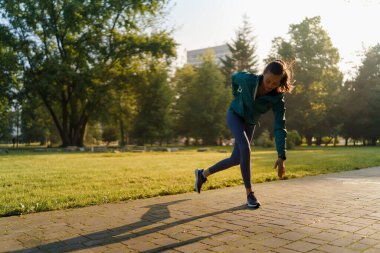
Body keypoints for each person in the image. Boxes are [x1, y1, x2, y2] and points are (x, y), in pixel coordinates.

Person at [194, 59, 294, 208]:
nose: (270, 86)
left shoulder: (277, 99)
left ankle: (202, 174)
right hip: (235, 115)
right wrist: (236, 95)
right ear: (264, 73)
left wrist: (281, 156)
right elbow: (234, 77)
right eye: (268, 81)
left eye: (275, 83)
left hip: (249, 122)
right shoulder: (248, 80)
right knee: (245, 148)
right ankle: (249, 194)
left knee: (236, 159)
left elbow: (280, 126)